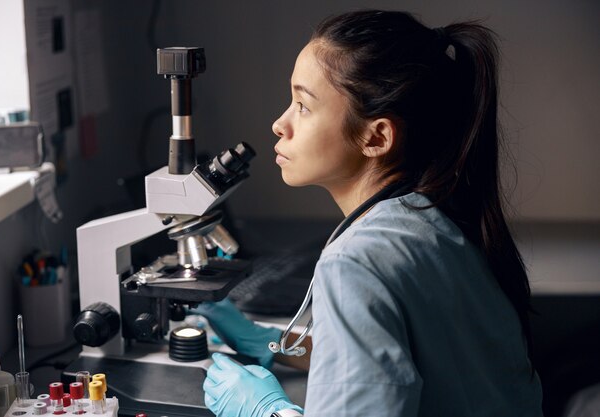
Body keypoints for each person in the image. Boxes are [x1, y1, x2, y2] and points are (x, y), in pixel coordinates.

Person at [194, 9, 544, 417]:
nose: (279, 124)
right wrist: (267, 342)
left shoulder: (355, 262)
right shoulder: (437, 220)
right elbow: (402, 357)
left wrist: (265, 411)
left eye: (303, 106)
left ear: (376, 137)